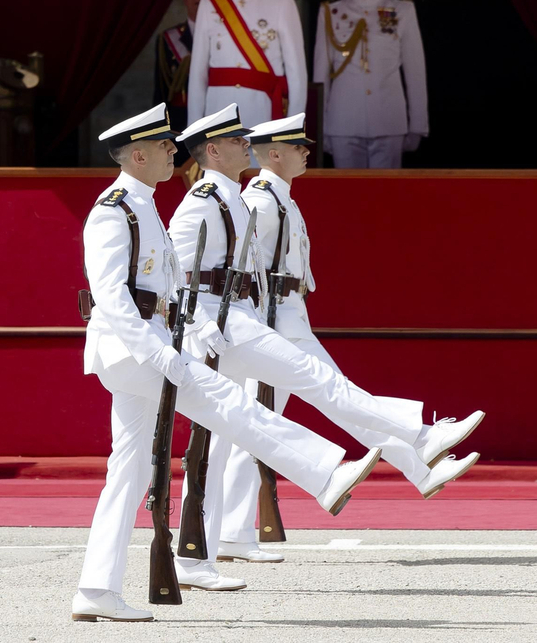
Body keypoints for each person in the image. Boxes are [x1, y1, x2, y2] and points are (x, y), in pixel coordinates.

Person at [72, 102, 376, 623]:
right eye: (165, 146)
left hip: (151, 344)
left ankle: (96, 590)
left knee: (126, 470)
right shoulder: (114, 208)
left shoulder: (143, 205)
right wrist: (162, 355)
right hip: (132, 351)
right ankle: (324, 471)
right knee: (230, 403)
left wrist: (191, 331)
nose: (174, 152)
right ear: (138, 154)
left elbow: (168, 291)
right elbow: (111, 298)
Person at [167, 106, 483, 580]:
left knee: (240, 429)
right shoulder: (220, 198)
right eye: (236, 142)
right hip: (235, 322)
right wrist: (196, 326)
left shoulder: (238, 197)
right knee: (280, 409)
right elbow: (178, 267)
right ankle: (418, 443)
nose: (244, 147)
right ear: (213, 150)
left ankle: (206, 550)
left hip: (249, 318)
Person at [313, 0, 427, 168]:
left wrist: (418, 124)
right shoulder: (331, 11)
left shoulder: (402, 10)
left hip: (389, 121)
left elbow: (415, 71)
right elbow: (320, 74)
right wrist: (320, 126)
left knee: (386, 197)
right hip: (342, 121)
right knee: (347, 196)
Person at [185, 0, 307, 130]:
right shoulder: (210, 4)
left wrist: (292, 129)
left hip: (263, 116)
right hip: (218, 116)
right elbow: (198, 72)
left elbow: (297, 73)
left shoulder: (281, 2)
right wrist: (195, 129)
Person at [155, 0, 223, 139]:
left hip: (219, 116)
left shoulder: (227, 37)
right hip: (180, 123)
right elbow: (162, 92)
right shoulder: (168, 38)